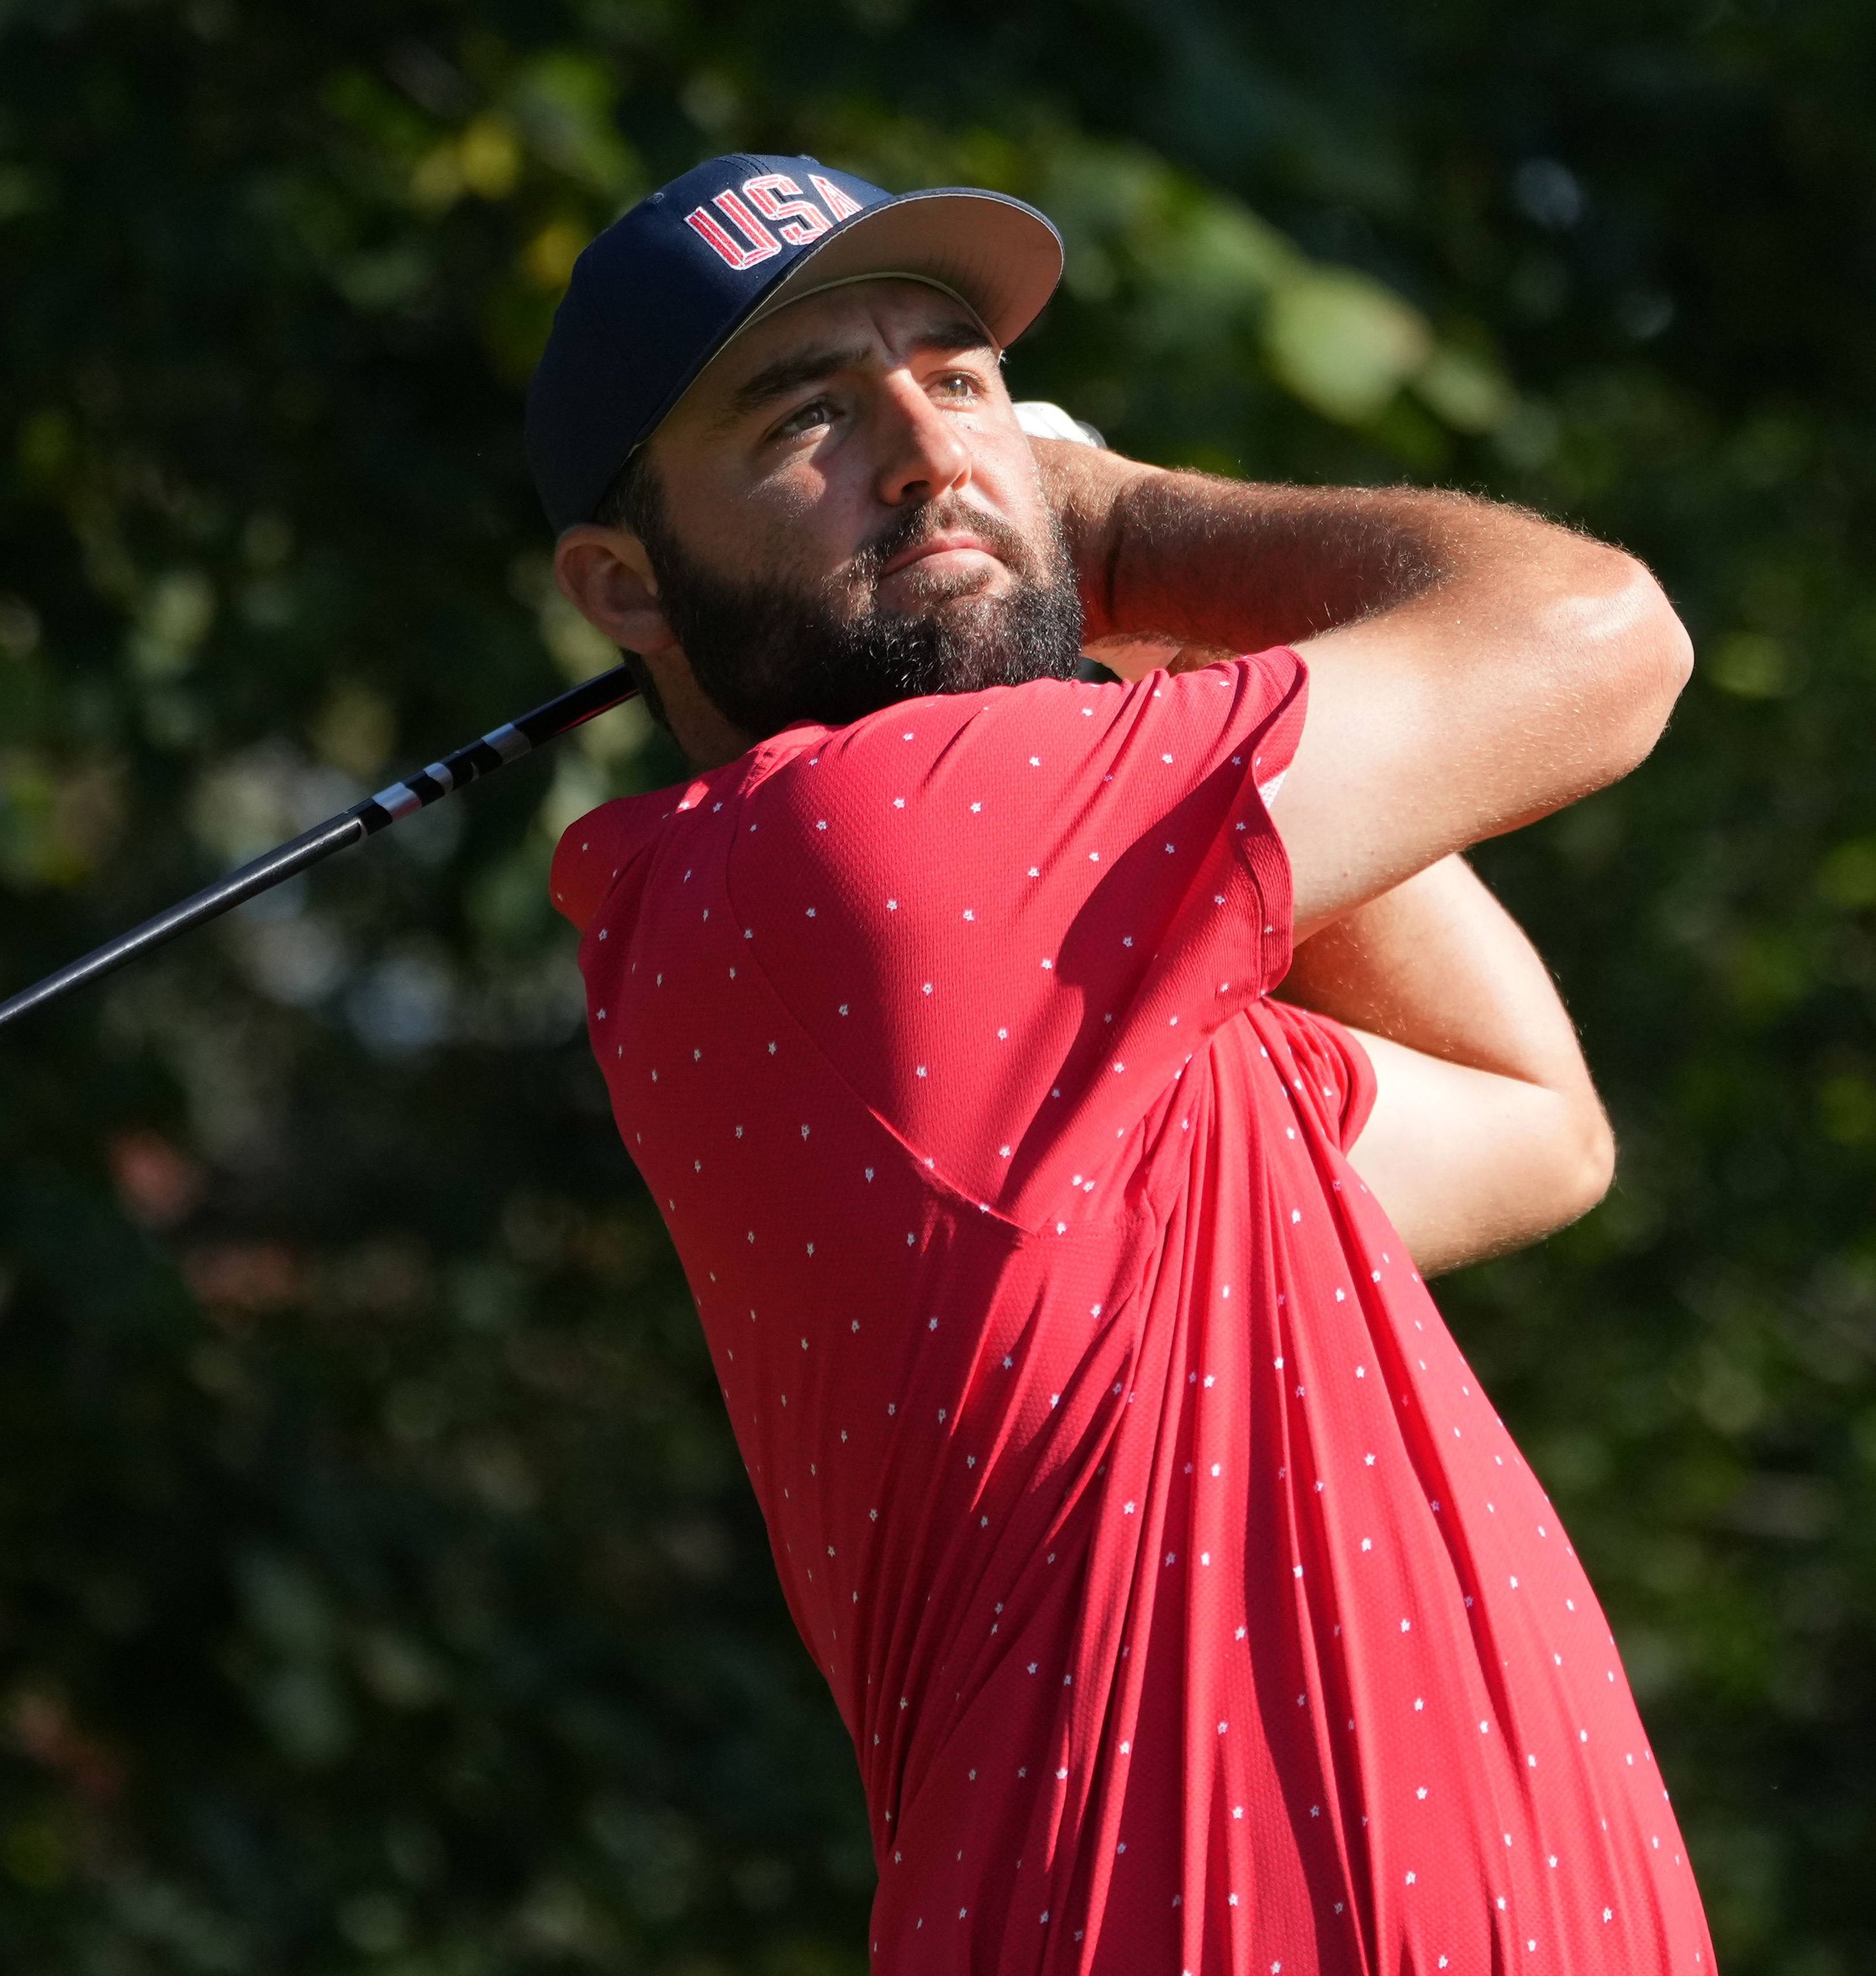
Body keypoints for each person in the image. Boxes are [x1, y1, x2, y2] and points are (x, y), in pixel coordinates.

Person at [526, 154, 1711, 1973]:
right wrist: (1128, 525)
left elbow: (1535, 1126)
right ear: (627, 588)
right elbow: (1599, 635)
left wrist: (1095, 625)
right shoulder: (864, 840)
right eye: (808, 414)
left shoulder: (1040, 1021)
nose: (928, 449)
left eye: (963, 377)